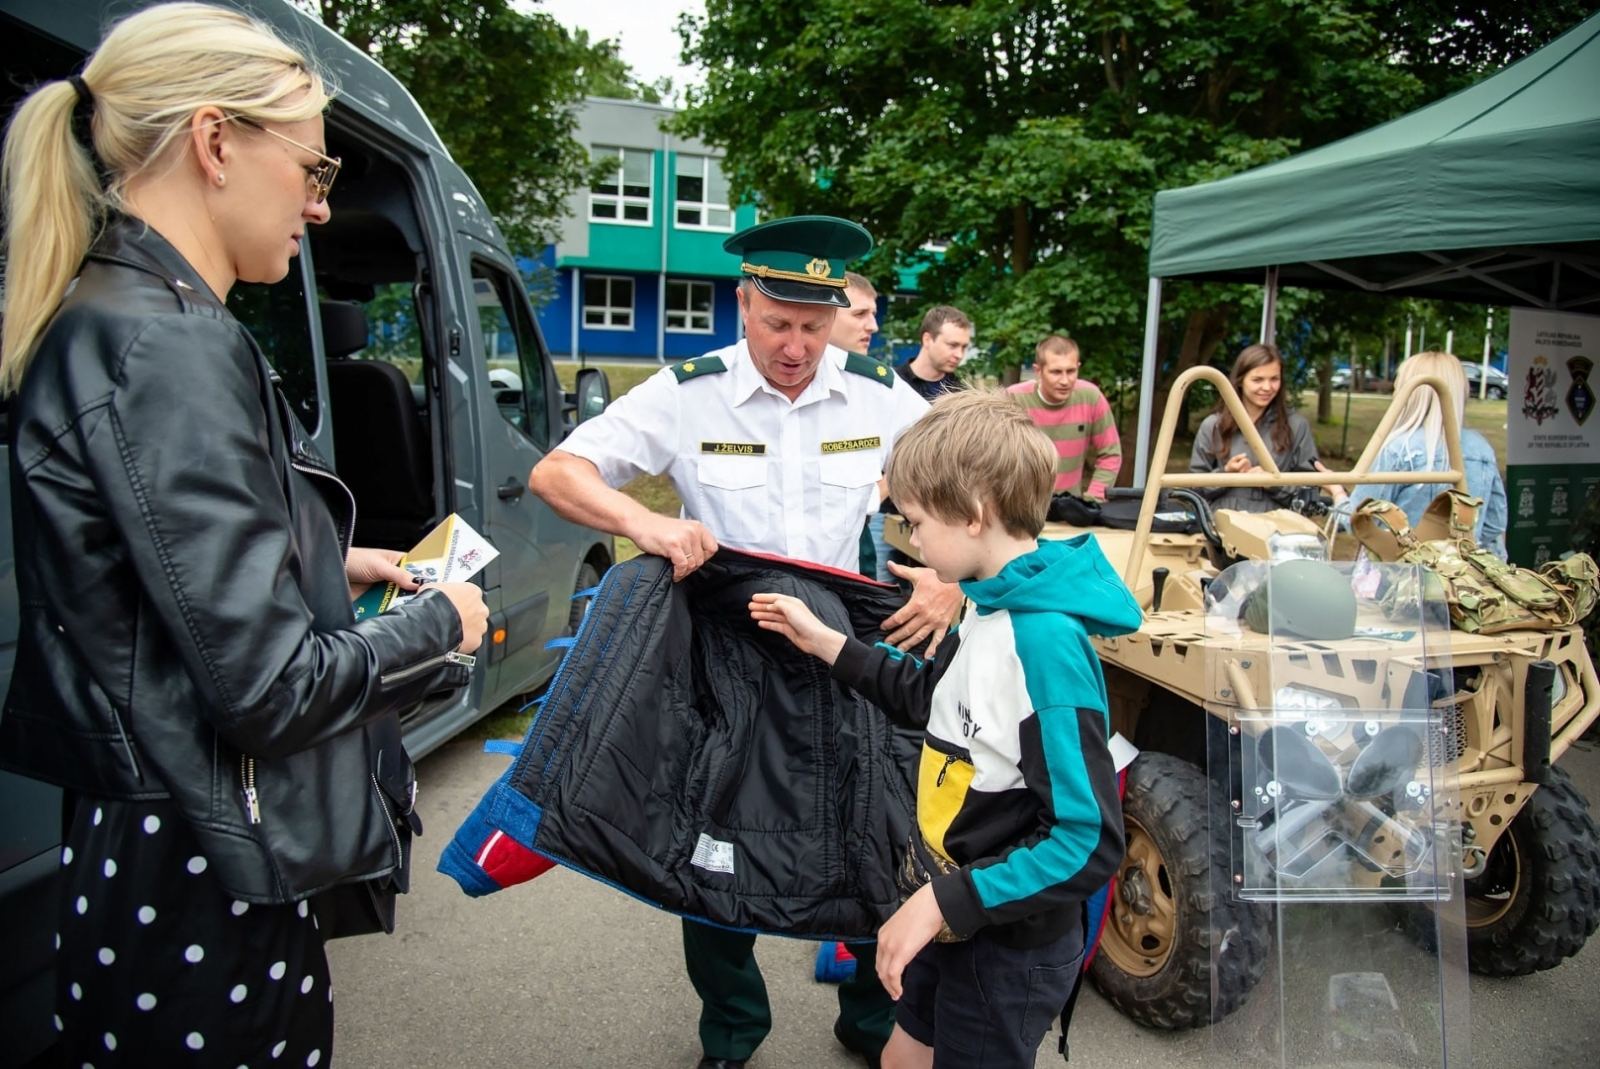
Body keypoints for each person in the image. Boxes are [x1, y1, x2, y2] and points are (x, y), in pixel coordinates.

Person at [0, 5, 489, 1066]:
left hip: (157, 841)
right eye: (312, 171)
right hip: (201, 861)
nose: (318, 208)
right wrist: (437, 623)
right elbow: (268, 688)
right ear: (217, 143)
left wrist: (325, 560)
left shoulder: (116, 314)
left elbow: (149, 590)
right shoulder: (169, 345)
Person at [526, 215, 966, 1069]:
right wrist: (642, 519)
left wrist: (951, 579)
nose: (796, 347)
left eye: (813, 325)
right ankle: (731, 1030)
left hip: (839, 650)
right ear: (743, 302)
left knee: (875, 836)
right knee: (711, 846)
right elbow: (559, 471)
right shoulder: (689, 392)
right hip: (723, 653)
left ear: (836, 310)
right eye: (777, 324)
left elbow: (967, 483)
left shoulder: (879, 393)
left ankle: (872, 1016)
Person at [749, 389, 1138, 1069]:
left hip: (1003, 943)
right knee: (902, 1058)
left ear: (976, 512)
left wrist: (941, 902)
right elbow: (936, 696)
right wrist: (827, 643)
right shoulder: (988, 601)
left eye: (920, 520)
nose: (913, 536)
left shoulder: (1043, 643)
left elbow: (1088, 839)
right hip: (956, 910)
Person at [1347, 351, 1509, 558]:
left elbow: (1360, 522)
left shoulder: (1398, 449)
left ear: (1409, 393)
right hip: (1459, 578)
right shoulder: (1482, 449)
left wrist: (1337, 495)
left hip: (1400, 577)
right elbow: (1494, 524)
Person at [1190, 343, 1347, 513]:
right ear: (1240, 380)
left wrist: (1273, 483)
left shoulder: (1296, 426)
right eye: (1258, 380)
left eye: (1274, 379)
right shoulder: (1213, 425)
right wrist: (1226, 474)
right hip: (1221, 527)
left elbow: (1309, 493)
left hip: (1277, 529)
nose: (1267, 387)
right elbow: (1193, 490)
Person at [1007, 334, 1122, 500]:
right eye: (1056, 372)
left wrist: (1093, 498)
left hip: (1069, 507)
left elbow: (1111, 454)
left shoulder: (1090, 397)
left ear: (1078, 367)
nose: (1065, 380)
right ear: (1038, 371)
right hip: (1020, 508)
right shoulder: (1013, 399)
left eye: (1071, 371)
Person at [896, 306, 971, 401]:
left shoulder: (961, 395)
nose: (959, 355)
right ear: (927, 340)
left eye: (964, 347)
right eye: (952, 345)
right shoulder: (894, 384)